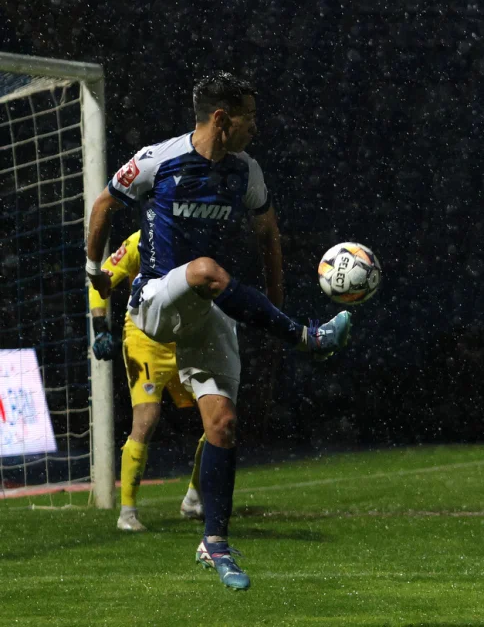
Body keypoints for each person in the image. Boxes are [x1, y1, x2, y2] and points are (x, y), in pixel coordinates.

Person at [86, 72, 352, 590]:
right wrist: (92, 267)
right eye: (249, 117)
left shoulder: (245, 171)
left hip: (206, 308)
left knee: (223, 424)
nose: (256, 127)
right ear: (222, 119)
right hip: (154, 301)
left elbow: (268, 232)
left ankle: (215, 544)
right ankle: (308, 338)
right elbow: (103, 205)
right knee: (205, 269)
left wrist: (273, 304)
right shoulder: (157, 159)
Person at [90, 231, 208, 531]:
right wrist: (99, 327)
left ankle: (194, 498)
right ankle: (127, 513)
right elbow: (100, 280)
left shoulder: (194, 236)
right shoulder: (139, 241)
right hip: (145, 341)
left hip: (184, 339)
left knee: (218, 416)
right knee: (147, 417)